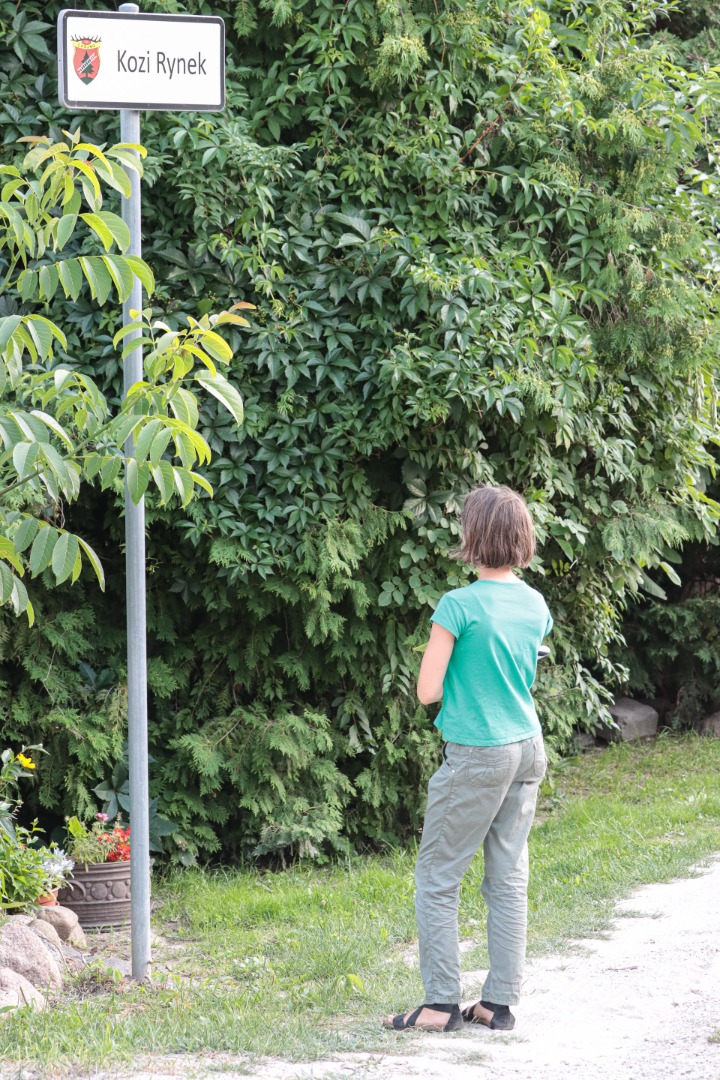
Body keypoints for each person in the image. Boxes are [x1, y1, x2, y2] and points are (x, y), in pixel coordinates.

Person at [384, 484, 553, 1033]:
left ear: (472, 537)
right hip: (528, 746)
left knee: (438, 874)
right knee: (507, 876)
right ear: (522, 539)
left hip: (480, 750)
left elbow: (426, 691)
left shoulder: (458, 605)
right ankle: (498, 1004)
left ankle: (438, 1005)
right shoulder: (535, 603)